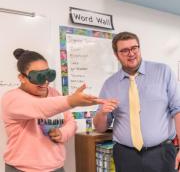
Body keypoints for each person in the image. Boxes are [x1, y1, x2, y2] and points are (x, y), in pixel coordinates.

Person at [1, 48, 103, 172]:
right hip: (22, 169)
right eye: (38, 77)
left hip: (56, 167)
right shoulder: (12, 98)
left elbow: (70, 122)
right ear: (22, 77)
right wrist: (72, 101)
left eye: (48, 75)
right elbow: (40, 108)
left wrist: (63, 133)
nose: (45, 81)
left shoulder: (54, 93)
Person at [93, 32, 180, 172]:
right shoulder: (109, 85)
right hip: (125, 155)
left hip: (162, 153)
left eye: (134, 48)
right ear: (116, 55)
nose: (131, 53)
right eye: (124, 50)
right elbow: (100, 128)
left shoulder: (163, 72)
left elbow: (177, 110)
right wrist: (102, 113)